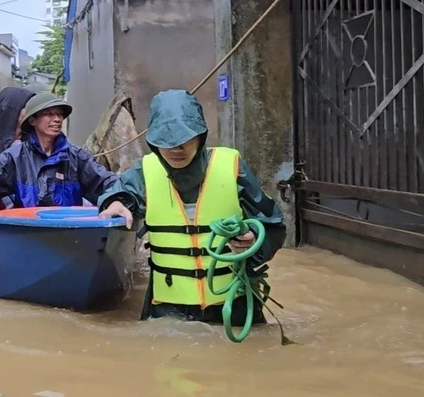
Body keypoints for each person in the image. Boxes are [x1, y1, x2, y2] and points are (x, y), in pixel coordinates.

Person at [97, 89, 286, 325]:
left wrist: (254, 238)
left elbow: (274, 226)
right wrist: (115, 204)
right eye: (168, 140)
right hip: (167, 310)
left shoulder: (232, 165)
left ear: (201, 136)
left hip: (232, 309)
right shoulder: (144, 171)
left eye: (186, 139)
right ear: (154, 141)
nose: (177, 149)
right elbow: (120, 194)